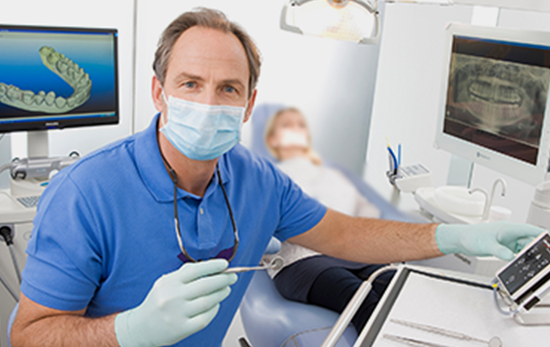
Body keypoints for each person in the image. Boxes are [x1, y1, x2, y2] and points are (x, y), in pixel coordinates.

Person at [10, 7, 544, 347]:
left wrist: (450, 236)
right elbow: (28, 336)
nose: (208, 101)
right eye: (190, 83)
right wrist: (125, 332)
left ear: (248, 104)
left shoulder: (255, 179)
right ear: (159, 93)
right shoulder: (85, 194)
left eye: (227, 89)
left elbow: (344, 234)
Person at [262, 106, 392, 332]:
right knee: (363, 301)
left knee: (400, 289)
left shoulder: (333, 176)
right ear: (272, 139)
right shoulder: (268, 176)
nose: (295, 130)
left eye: (300, 125)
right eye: (287, 125)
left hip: (352, 252)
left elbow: (367, 215)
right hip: (301, 260)